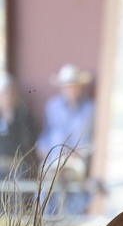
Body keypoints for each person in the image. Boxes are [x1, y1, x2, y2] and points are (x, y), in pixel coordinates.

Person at [36, 64, 95, 214]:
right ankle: (46, 216)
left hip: (77, 159)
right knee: (47, 179)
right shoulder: (53, 106)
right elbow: (47, 132)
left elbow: (92, 138)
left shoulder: (90, 109)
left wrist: (80, 152)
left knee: (73, 182)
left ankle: (72, 218)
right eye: (67, 86)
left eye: (74, 85)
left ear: (80, 87)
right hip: (54, 157)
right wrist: (42, 149)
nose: (71, 89)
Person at [0, 72, 37, 180]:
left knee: (21, 175)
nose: (9, 96)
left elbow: (29, 141)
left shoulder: (23, 115)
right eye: (5, 93)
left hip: (17, 164)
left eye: (12, 92)